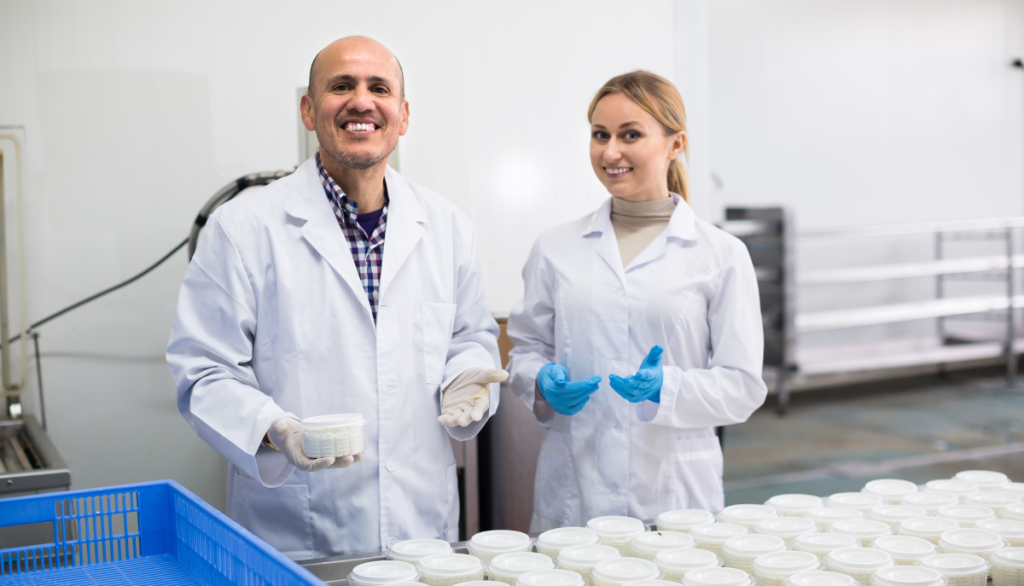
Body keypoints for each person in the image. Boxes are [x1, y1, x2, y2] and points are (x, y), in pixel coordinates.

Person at [167, 36, 506, 559]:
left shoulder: (446, 226)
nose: (361, 101)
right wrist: (275, 430)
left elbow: (470, 336)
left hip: (421, 532)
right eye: (341, 86)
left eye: (379, 88)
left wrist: (467, 377)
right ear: (308, 109)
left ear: (403, 114)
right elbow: (203, 371)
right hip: (294, 534)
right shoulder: (242, 228)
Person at [506, 71, 767, 531]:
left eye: (630, 135)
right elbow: (526, 351)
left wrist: (667, 388)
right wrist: (541, 382)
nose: (610, 152)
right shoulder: (555, 248)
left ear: (674, 143)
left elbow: (743, 386)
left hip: (675, 497)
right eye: (599, 135)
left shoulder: (721, 254)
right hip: (575, 493)